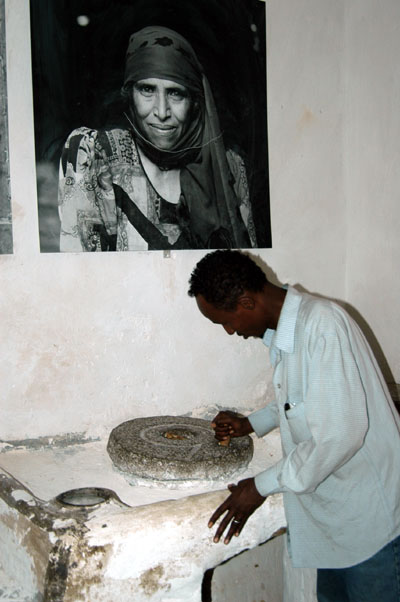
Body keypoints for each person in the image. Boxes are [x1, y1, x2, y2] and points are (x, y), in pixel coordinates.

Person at [187, 249, 400, 602]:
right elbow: (303, 400)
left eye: (225, 320)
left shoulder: (323, 326)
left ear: (246, 302)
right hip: (339, 528)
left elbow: (338, 436)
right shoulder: (289, 330)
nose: (229, 331)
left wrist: (258, 487)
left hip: (372, 525)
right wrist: (250, 423)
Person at [58, 26, 256, 252]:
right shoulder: (95, 154)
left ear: (195, 102)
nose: (161, 112)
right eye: (147, 90)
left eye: (176, 93)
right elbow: (82, 274)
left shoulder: (227, 167)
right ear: (130, 95)